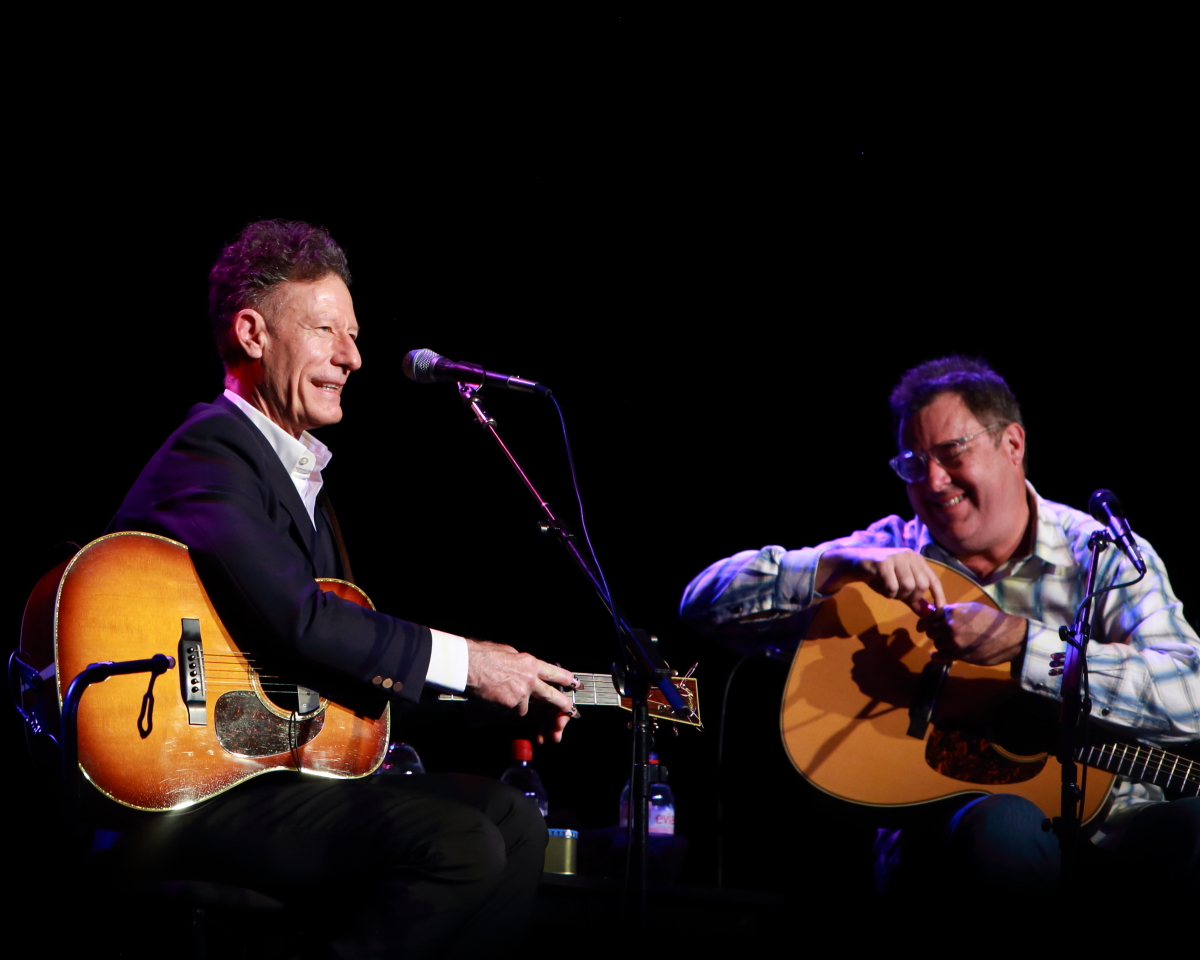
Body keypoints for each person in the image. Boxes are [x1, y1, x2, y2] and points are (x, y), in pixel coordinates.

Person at [106, 219, 580, 958]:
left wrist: (494, 697)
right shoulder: (211, 452)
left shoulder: (304, 483)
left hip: (277, 774)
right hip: (188, 791)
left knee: (513, 821)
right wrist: (470, 662)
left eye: (353, 336)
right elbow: (301, 621)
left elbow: (339, 674)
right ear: (252, 333)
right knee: (457, 843)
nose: (353, 357)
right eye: (327, 330)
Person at [680, 356, 1199, 894]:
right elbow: (702, 604)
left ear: (1012, 444)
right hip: (942, 831)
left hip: (1121, 828)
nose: (932, 481)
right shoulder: (890, 551)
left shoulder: (1103, 555)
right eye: (913, 464)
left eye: (952, 453)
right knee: (1006, 824)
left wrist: (1026, 646)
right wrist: (834, 566)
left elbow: (1194, 695)